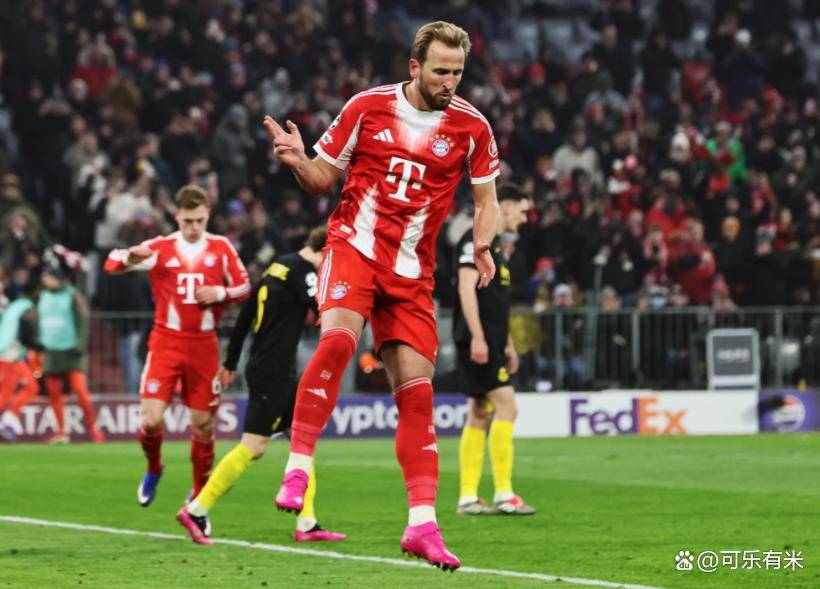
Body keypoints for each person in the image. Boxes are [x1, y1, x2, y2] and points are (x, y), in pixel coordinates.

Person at [264, 21, 500, 571]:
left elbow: (487, 200)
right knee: (338, 341)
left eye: (457, 72)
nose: (449, 82)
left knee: (417, 394)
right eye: (440, 71)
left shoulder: (472, 126)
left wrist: (484, 243)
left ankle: (422, 525)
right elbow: (322, 179)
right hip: (355, 248)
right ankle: (297, 467)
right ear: (414, 67)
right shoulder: (367, 107)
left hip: (412, 274)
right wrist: (298, 159)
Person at [177, 227, 345, 545]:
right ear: (326, 252)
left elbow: (245, 316)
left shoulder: (277, 266)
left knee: (301, 440)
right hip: (273, 372)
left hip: (269, 367)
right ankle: (196, 509)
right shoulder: (305, 272)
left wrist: (230, 361)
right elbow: (322, 308)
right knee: (253, 447)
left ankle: (307, 523)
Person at [103, 185, 250, 538]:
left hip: (204, 346)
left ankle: (198, 499)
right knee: (151, 420)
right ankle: (154, 468)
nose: (194, 227)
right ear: (177, 216)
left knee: (203, 425)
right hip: (166, 343)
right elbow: (110, 263)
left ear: (208, 215)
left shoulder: (221, 247)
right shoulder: (161, 247)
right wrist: (130, 258)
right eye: (188, 221)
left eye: (200, 220)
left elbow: (245, 286)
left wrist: (221, 293)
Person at [452, 184, 535, 516]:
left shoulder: (497, 246)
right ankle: (504, 493)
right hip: (479, 341)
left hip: (492, 342)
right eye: (522, 211)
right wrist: (478, 337)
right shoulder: (475, 241)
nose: (524, 218)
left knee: (479, 412)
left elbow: (497, 303)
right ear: (507, 206)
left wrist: (508, 344)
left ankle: (468, 497)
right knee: (507, 407)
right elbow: (466, 289)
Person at [38, 264, 104, 444]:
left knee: (81, 392)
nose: (45, 281)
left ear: (57, 278)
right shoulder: (43, 296)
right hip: (51, 350)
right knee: (54, 394)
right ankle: (61, 432)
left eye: (48, 277)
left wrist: (80, 345)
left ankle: (93, 429)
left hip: (71, 351)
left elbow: (83, 321)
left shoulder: (72, 295)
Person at [0, 284, 41, 442]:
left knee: (31, 386)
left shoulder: (14, 306)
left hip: (13, 353)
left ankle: (8, 418)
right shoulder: (24, 308)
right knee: (6, 393)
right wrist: (38, 345)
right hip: (8, 354)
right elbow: (26, 332)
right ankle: (7, 419)